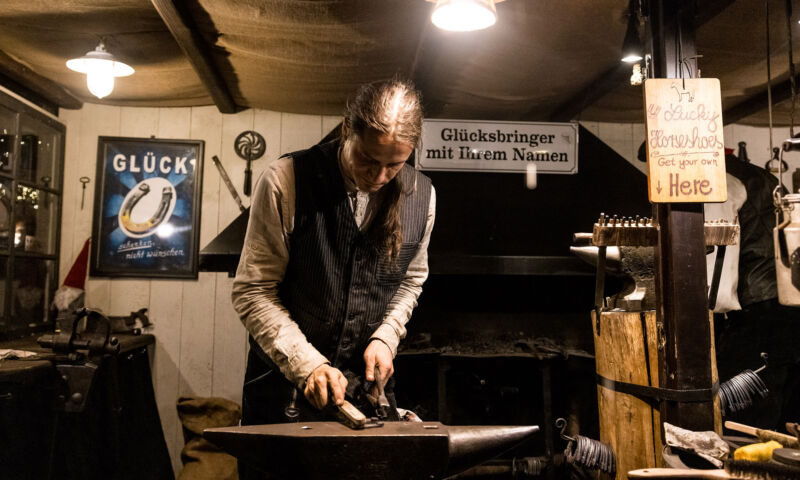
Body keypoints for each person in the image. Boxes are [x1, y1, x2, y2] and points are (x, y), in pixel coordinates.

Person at [231, 79, 436, 476]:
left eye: (394, 164)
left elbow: (411, 280)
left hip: (367, 395)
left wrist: (386, 336)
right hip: (283, 394)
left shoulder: (423, 196)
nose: (378, 176)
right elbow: (253, 290)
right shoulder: (285, 180)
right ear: (347, 130)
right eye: (368, 159)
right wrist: (307, 364)